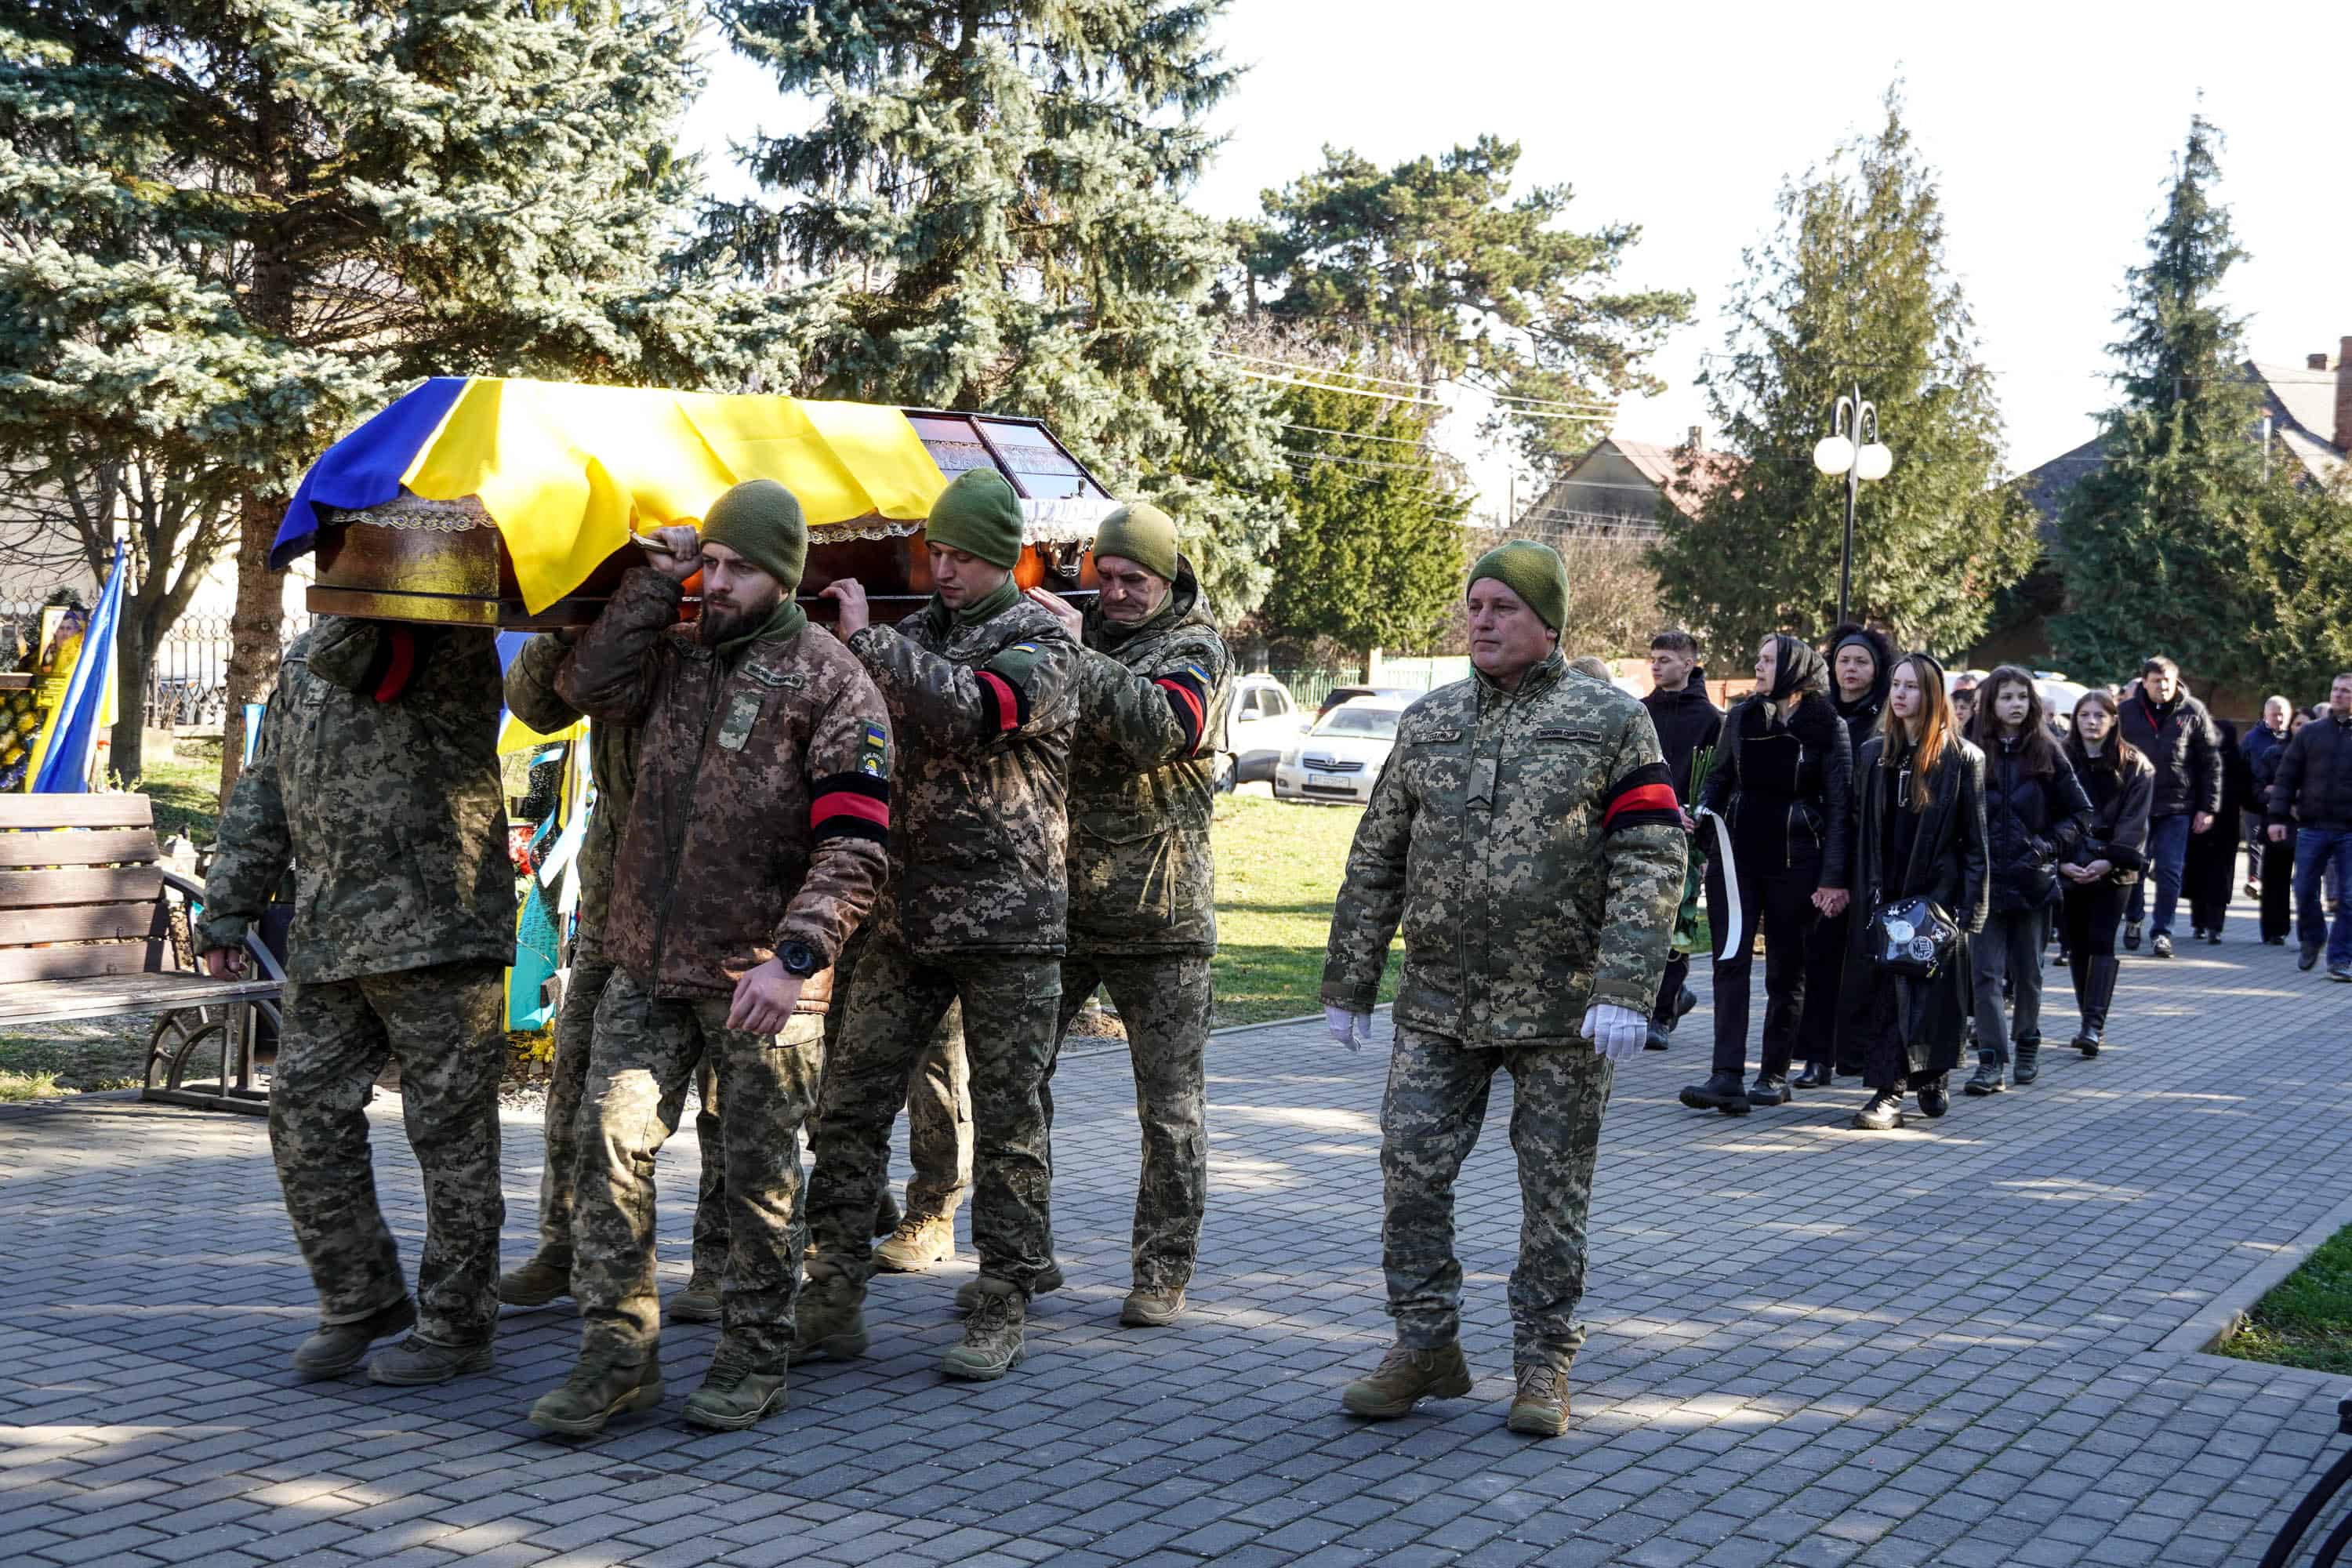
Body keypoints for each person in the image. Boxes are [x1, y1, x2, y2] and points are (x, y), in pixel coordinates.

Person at [525, 481, 895, 1436]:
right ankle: (617, 1353)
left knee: (758, 1178)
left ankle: (752, 1353)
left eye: (738, 567)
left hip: (759, 980)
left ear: (784, 574)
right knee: (609, 1144)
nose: (718, 581)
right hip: (648, 965)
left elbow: (855, 841)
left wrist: (795, 955)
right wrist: (657, 581)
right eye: (713, 562)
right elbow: (586, 686)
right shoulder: (676, 656)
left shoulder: (835, 682)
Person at [1321, 542, 1682, 1437]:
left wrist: (1626, 983)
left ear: (1548, 621)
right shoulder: (1431, 720)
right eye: (1474, 604)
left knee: (1552, 1193)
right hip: (1441, 1001)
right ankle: (1425, 1343)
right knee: (1410, 1169)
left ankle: (1544, 1362)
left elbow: (1652, 853)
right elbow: (1379, 856)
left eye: (1503, 607)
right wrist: (1350, 977)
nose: (1481, 619)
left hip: (1563, 1009)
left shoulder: (1611, 721)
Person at [802, 466, 1080, 1382]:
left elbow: (971, 711)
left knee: (1008, 1125)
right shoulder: (912, 632)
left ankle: (1002, 1300)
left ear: (1002, 556)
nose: (945, 566)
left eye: (962, 553)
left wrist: (867, 644)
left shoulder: (1043, 640)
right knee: (846, 1106)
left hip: (1009, 922)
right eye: (938, 550)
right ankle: (831, 1290)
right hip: (903, 917)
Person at [198, 620, 514, 1385]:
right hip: (334, 935)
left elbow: (368, 656)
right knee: (303, 1114)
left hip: (442, 931)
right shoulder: (305, 654)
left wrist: (385, 574)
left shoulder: (450, 638)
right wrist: (229, 907)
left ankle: (456, 1320)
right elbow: (266, 783)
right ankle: (360, 1297)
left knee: (453, 1139)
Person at [1019, 501, 1232, 1327]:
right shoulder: (1077, 631)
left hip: (1162, 918)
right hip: (1061, 908)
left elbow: (1164, 726)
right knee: (1016, 1083)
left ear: (1169, 576)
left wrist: (1074, 654)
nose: (1115, 591)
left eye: (1133, 578)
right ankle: (1023, 1253)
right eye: (1104, 576)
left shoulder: (1196, 645)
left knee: (1170, 1111)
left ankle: (1160, 1271)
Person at [496, 632, 735, 1323]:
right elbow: (536, 704)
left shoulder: (715, 642)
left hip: (710, 918)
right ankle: (567, 1246)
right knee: (575, 1086)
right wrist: (577, 619)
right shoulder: (615, 635)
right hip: (611, 909)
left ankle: (720, 1266)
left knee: (727, 1105)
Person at [1679, 633, 1851, 1115]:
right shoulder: (1741, 717)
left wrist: (1834, 877)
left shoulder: (1826, 725)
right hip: (1737, 860)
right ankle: (1726, 1075)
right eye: (1758, 657)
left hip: (1798, 862)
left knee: (1785, 969)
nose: (1758, 665)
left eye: (1768, 659)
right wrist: (1705, 810)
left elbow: (1841, 808)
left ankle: (1774, 1072)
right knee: (1729, 960)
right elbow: (1720, 775)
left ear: (1794, 668)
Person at [1834, 652, 1987, 1131]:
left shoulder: (1963, 759)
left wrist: (1970, 911)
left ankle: (1927, 1078)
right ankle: (1891, 1092)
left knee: (1927, 994)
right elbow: (1858, 828)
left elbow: (1975, 842)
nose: (1900, 694)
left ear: (1933, 695)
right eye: (1896, 685)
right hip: (1884, 893)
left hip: (1936, 897)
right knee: (1888, 993)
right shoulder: (1873, 754)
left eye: (1913, 686)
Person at [1962, 666, 2090, 1093]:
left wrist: (2046, 847)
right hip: (1982, 882)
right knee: (1984, 974)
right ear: (1989, 704)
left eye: (2022, 696)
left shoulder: (2047, 751)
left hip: (2032, 881)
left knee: (2029, 972)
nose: (2015, 704)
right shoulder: (1968, 750)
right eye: (2006, 696)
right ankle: (1991, 1060)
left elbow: (2081, 814)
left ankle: (2028, 1042)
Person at [1803, 622, 1895, 1085]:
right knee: (1819, 957)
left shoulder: (1887, 720)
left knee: (1866, 960)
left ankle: (1856, 1053)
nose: (1851, 669)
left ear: (1877, 669)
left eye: (1861, 661)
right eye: (1843, 660)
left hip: (1873, 857)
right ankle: (1817, 1056)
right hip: (1821, 851)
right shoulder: (1818, 714)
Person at [2056, 690, 2153, 1056]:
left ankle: (2093, 1025)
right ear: (2075, 719)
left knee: (2100, 941)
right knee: (2076, 944)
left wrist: (2110, 860)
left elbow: (2136, 821)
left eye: (2100, 715)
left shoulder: (2135, 764)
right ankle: (2087, 1019)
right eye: (2085, 715)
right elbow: (2048, 809)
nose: (2092, 722)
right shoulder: (2059, 758)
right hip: (2069, 859)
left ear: (2113, 720)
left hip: (2114, 868)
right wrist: (2061, 858)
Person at [1640, 630, 1722, 1052]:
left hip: (1685, 836)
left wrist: (1704, 835)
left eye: (1666, 659)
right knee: (1640, 922)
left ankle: (1662, 1014)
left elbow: (1716, 783)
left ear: (1689, 664)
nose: (1657, 666)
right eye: (1653, 658)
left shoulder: (1710, 719)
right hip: (1639, 829)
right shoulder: (1639, 712)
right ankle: (1664, 998)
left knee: (1677, 926)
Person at [2117, 656, 2221, 959]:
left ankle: (2163, 932)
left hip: (2178, 806)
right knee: (2133, 866)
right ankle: (2134, 917)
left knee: (2170, 871)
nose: (2162, 687)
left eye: (2167, 681)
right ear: (2144, 682)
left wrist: (2208, 807)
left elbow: (2210, 762)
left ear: (2176, 681)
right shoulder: (2125, 712)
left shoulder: (2193, 711)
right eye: (2155, 681)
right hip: (2136, 804)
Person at [2268, 673, 2352, 982]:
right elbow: (2286, 776)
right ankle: (2314, 936)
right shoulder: (2311, 733)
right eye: (2335, 689)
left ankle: (2340, 960)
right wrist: (2277, 817)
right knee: (2303, 888)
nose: (2339, 695)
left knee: (2349, 897)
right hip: (2313, 825)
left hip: (2349, 831)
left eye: (2346, 691)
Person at [2185, 713, 2248, 943]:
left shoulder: (2236, 761)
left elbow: (2247, 792)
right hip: (2201, 826)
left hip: (2222, 829)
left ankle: (2213, 926)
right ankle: (2201, 924)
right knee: (2201, 876)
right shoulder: (2197, 758)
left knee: (2217, 879)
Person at [2253, 711, 2310, 946]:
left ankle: (2309, 933)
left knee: (2308, 883)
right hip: (2280, 823)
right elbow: (2259, 789)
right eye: (2298, 724)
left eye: (2307, 725)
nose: (2302, 729)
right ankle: (2274, 930)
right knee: (2275, 879)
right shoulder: (2274, 753)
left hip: (2312, 824)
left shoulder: (2322, 754)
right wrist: (2281, 798)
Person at [2242, 696, 2294, 895]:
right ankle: (2255, 880)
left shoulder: (2297, 738)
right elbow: (2242, 768)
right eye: (2275, 714)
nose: (2279, 719)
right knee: (2255, 840)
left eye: (2283, 714)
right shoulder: (2251, 739)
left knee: (2281, 843)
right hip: (2256, 799)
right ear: (2265, 715)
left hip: (2284, 802)